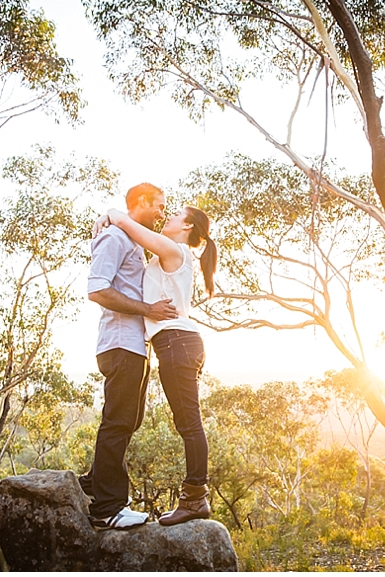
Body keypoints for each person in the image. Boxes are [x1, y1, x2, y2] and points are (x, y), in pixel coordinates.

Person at [98, 203, 218, 526]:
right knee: (186, 421)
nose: (169, 217)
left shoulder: (173, 248)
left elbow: (128, 223)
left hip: (177, 343)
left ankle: (195, 499)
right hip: (174, 345)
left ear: (187, 227)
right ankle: (100, 476)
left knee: (189, 423)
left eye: (176, 213)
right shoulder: (173, 252)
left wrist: (110, 214)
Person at [81, 183, 178, 530]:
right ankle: (107, 508)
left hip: (136, 346)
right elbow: (98, 289)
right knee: (118, 421)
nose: (162, 212)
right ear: (140, 202)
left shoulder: (132, 240)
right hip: (120, 343)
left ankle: (94, 483)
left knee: (130, 420)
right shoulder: (114, 239)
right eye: (158, 206)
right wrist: (147, 308)